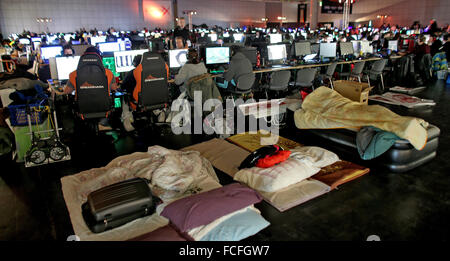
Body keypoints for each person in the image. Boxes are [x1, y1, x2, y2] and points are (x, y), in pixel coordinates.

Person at [63, 47, 118, 130]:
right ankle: (102, 123)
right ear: (100, 58)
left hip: (82, 108)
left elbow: (66, 91)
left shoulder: (74, 74)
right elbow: (114, 88)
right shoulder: (108, 73)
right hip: (104, 107)